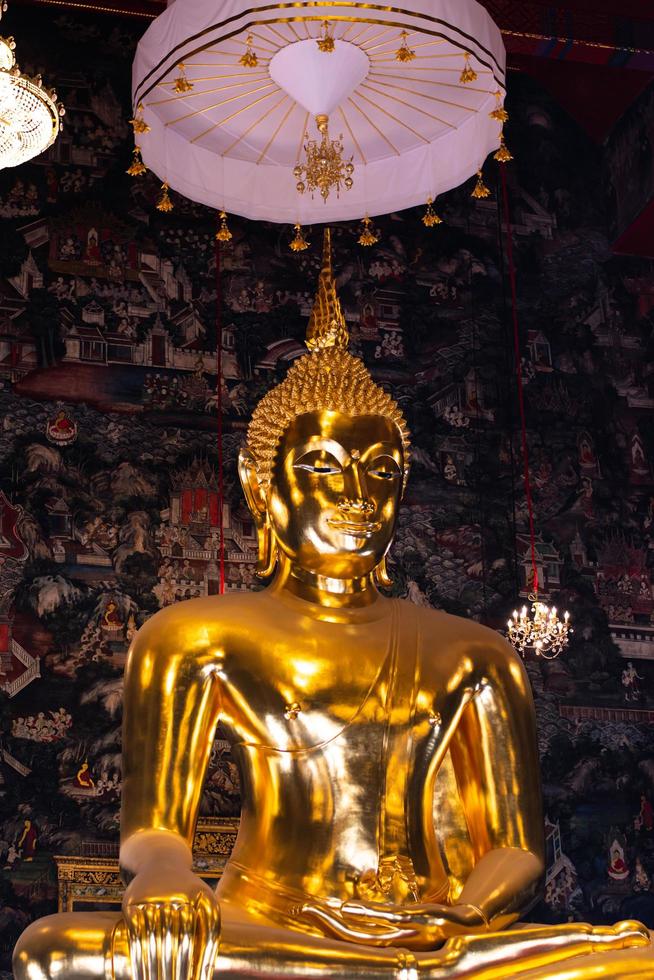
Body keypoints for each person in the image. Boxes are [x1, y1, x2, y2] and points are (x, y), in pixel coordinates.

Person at [14, 232, 653, 980]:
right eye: (323, 466)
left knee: (637, 956)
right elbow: (154, 829)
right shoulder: (194, 635)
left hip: (433, 928)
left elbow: (515, 849)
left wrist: (461, 917)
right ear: (264, 489)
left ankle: (416, 970)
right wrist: (165, 880)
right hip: (270, 926)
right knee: (52, 954)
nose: (357, 496)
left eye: (381, 471)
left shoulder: (474, 653)